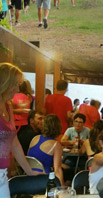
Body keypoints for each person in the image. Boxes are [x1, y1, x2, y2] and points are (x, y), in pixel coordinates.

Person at [0, 63, 37, 197]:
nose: (17, 89)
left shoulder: (8, 107)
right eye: (15, 84)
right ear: (4, 83)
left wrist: (29, 171)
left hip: (2, 174)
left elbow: (14, 142)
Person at [28, 114, 64, 186]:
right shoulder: (56, 145)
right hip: (44, 179)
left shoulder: (35, 138)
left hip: (28, 176)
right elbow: (57, 170)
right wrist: (62, 188)